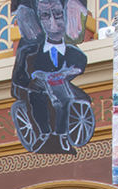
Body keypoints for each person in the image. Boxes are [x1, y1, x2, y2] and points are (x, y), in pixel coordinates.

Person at [11, 0, 90, 154]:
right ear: (39, 20)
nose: (53, 24)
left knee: (64, 100)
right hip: (40, 89)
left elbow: (79, 67)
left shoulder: (75, 54)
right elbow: (18, 77)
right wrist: (32, 83)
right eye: (45, 16)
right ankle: (44, 132)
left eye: (58, 14)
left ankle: (62, 134)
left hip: (61, 88)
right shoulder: (29, 53)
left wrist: (66, 74)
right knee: (36, 95)